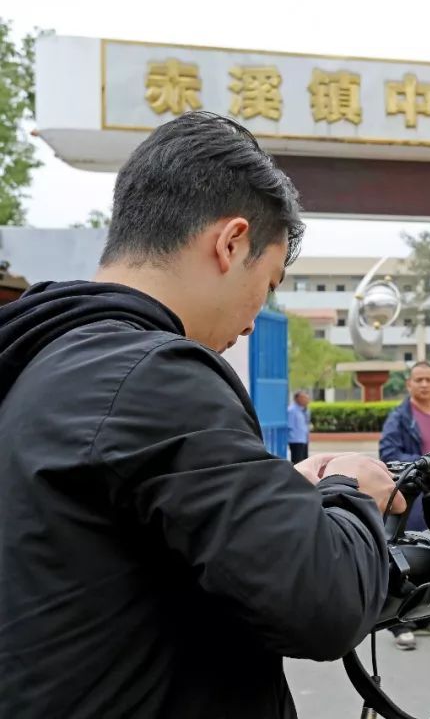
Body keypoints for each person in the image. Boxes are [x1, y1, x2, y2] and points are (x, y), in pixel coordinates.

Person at [0, 111, 406, 718]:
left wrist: (271, 496)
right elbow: (322, 602)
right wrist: (353, 492)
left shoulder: (40, 357)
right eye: (267, 284)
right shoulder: (152, 376)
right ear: (231, 241)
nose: (251, 320)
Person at [378, 360, 430, 650]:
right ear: (409, 384)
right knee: (405, 561)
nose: (424, 384)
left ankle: (423, 617)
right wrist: (426, 465)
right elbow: (388, 452)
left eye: (429, 379)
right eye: (418, 380)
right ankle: (399, 625)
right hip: (410, 500)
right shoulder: (400, 417)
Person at [288, 390, 311, 463]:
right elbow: (289, 425)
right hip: (296, 441)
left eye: (307, 398)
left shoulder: (305, 410)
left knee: (304, 462)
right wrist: (292, 436)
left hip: (303, 439)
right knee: (297, 462)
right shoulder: (292, 410)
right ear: (297, 399)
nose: (307, 400)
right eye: (304, 398)